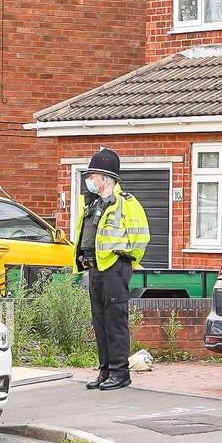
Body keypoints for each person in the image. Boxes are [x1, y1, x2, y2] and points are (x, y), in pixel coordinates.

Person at [73, 148, 150, 391]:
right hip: (95, 268)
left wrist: (125, 260)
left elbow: (141, 237)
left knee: (116, 322)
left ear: (105, 178)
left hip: (115, 268)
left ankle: (120, 372)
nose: (90, 180)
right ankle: (105, 370)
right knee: (100, 322)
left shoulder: (126, 203)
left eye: (93, 175)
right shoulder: (93, 204)